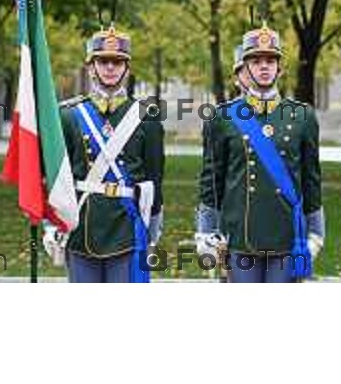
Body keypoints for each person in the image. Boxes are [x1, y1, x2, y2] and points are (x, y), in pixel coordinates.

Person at [196, 23, 325, 283]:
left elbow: (311, 180)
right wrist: (205, 231)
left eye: (270, 60)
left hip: (287, 237)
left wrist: (315, 233)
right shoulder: (222, 118)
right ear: (244, 67)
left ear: (280, 68)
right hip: (239, 237)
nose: (264, 66)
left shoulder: (302, 116)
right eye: (256, 61)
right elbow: (211, 181)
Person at [44, 24, 164, 282]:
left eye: (117, 62)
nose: (110, 68)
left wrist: (152, 232)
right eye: (103, 62)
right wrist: (50, 224)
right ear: (91, 67)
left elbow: (155, 179)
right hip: (81, 225)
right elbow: (56, 175)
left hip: (128, 228)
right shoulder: (68, 115)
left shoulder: (146, 117)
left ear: (127, 69)